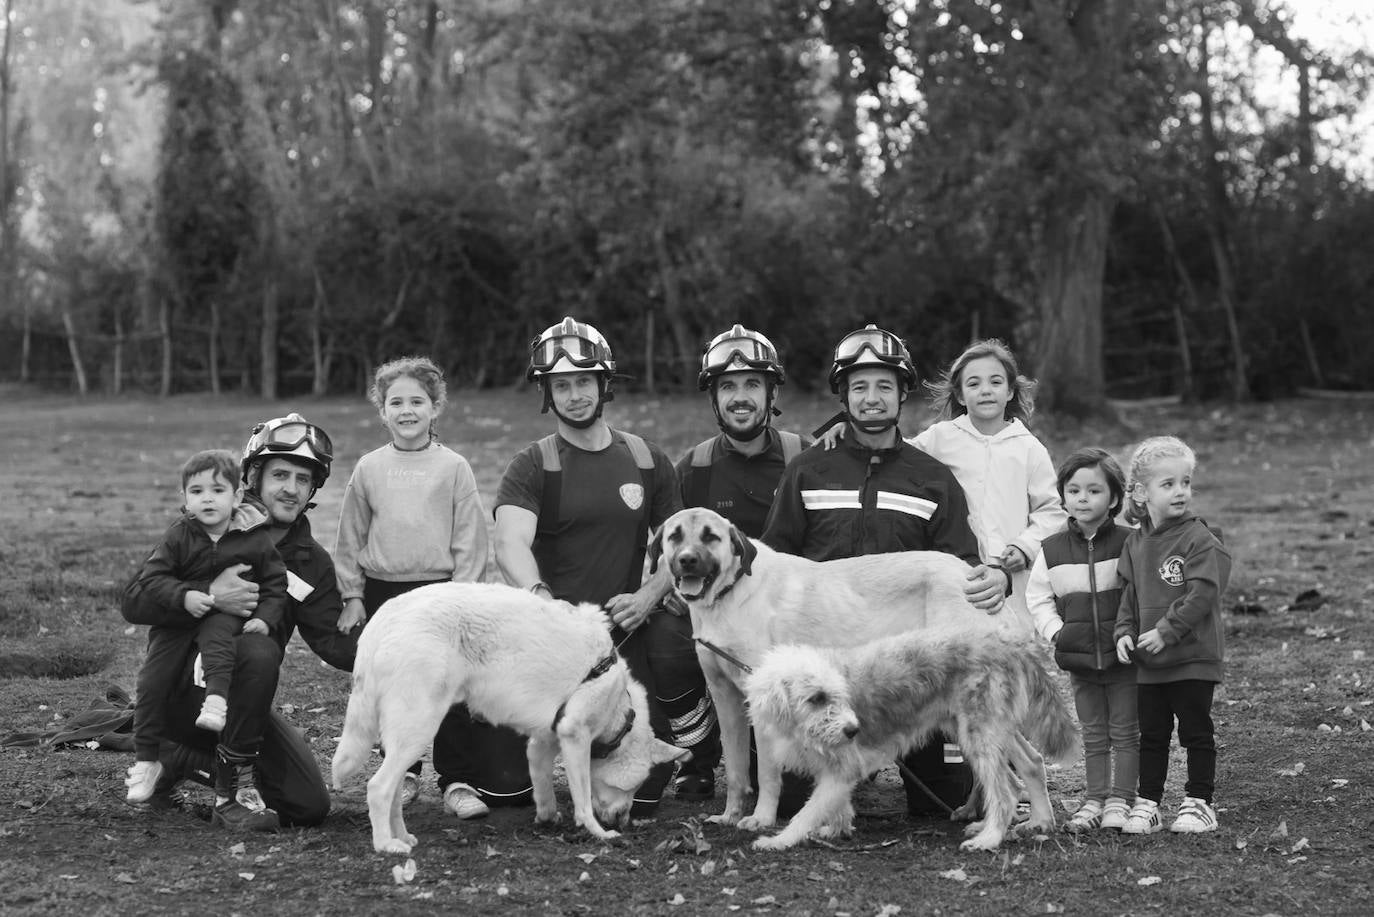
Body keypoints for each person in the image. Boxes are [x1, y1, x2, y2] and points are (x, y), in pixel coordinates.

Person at [761, 322, 1010, 815]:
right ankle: (852, 768)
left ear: (902, 395)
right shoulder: (808, 469)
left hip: (907, 679)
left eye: (884, 386)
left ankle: (896, 760)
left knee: (942, 806)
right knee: (794, 803)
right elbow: (773, 563)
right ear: (843, 396)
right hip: (824, 676)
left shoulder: (932, 478)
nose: (872, 398)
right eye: (859, 387)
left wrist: (996, 574)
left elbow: (958, 567)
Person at [121, 412, 351, 830]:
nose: (291, 489)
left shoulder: (311, 562)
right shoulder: (198, 528)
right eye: (281, 474)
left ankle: (178, 758)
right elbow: (134, 602)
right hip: (180, 692)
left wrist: (397, 637)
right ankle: (230, 794)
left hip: (245, 705)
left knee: (308, 807)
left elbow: (334, 644)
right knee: (258, 646)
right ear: (254, 477)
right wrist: (210, 593)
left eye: (303, 480)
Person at [493, 316, 684, 816]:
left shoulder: (646, 460)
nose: (574, 394)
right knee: (507, 790)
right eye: (561, 385)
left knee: (642, 794)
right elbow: (510, 542)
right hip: (550, 640)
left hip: (622, 637)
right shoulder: (532, 464)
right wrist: (541, 601)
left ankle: (693, 752)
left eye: (583, 382)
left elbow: (679, 550)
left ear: (604, 384)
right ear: (547, 393)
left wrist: (649, 596)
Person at [332, 356, 512, 819]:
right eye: (396, 402)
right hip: (383, 593)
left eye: (417, 401)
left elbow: (471, 538)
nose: (406, 410)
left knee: (451, 688)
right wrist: (353, 594)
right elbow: (350, 537)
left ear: (435, 408)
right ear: (382, 411)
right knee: (397, 687)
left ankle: (456, 780)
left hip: (440, 595)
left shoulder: (454, 468)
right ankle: (403, 772)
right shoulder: (369, 469)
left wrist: (464, 599)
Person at [820, 338, 1065, 634]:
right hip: (956, 568)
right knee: (964, 645)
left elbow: (1051, 511)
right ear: (960, 396)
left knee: (1011, 644)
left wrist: (1024, 547)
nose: (985, 390)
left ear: (1010, 390)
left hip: (1010, 574)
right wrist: (850, 427)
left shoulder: (1029, 448)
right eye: (973, 384)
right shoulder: (942, 437)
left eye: (995, 382)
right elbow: (896, 452)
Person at [663, 324, 809, 802]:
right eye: (728, 386)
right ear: (714, 398)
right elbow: (670, 546)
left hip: (789, 628)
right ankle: (698, 759)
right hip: (714, 618)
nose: (739, 397)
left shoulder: (803, 455)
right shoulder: (693, 468)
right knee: (667, 639)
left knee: (792, 794)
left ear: (771, 393)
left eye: (752, 385)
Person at [122, 449, 289, 805]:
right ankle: (147, 759)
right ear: (184, 498)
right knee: (151, 681)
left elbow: (276, 585)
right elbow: (151, 578)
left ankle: (215, 702)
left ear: (238, 495)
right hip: (176, 626)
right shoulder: (180, 535)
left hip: (224, 620)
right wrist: (186, 595)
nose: (207, 499)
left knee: (220, 642)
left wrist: (265, 618)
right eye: (196, 492)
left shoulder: (255, 538)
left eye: (217, 490)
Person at [1113, 435, 1231, 834]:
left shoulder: (1198, 538)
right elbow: (1129, 594)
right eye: (1169, 484)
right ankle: (1149, 803)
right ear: (1142, 493)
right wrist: (1125, 633)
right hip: (1150, 661)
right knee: (1153, 734)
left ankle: (1200, 802)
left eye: (1185, 482)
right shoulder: (1136, 542)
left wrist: (1166, 631)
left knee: (1196, 731)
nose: (1180, 491)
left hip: (1192, 657)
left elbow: (1203, 593)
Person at [1025, 447, 1138, 832]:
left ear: (1115, 499)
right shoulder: (1052, 550)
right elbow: (1037, 596)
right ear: (1063, 497)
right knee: (1093, 731)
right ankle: (1094, 799)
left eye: (1094, 491)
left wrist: (1134, 631)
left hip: (1124, 656)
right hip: (1079, 658)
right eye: (1074, 491)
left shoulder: (1130, 542)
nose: (1083, 499)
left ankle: (1122, 800)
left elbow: (1142, 592)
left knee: (1124, 730)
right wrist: (1058, 631)